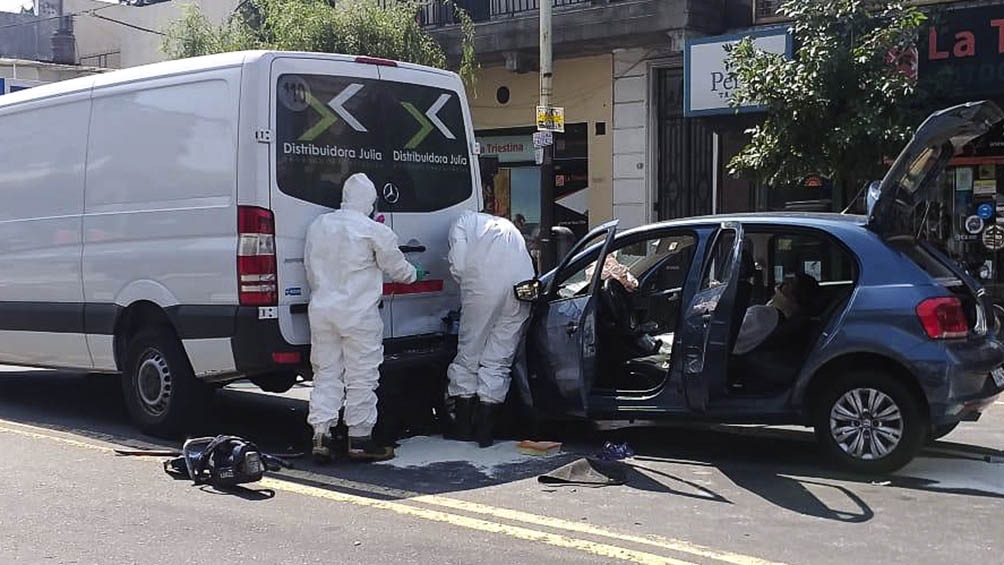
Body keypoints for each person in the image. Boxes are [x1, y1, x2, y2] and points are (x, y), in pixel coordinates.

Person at [304, 173, 423, 463]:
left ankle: (321, 434)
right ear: (371, 202)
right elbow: (400, 270)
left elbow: (310, 266)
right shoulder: (374, 231)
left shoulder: (319, 226)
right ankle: (360, 439)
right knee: (361, 376)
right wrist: (416, 272)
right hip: (358, 315)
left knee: (326, 374)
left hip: (322, 310)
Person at [447, 210, 535, 447]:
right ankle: (486, 431)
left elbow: (460, 264)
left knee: (470, 351)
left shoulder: (461, 222)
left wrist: (467, 290)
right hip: (522, 287)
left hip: (484, 284)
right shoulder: (506, 225)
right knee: (500, 356)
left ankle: (463, 426)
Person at [732, 272, 820, 392]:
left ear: (793, 295)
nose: (782, 283)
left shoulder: (765, 316)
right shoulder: (775, 316)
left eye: (789, 283)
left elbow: (734, 337)